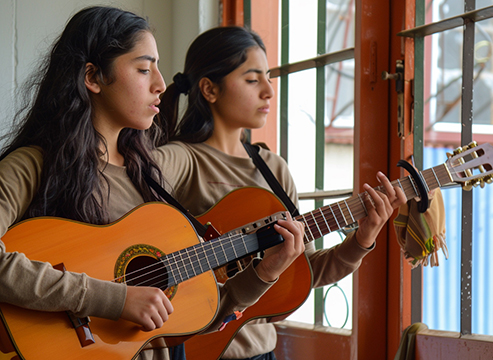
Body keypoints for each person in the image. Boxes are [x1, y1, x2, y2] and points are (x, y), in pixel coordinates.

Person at [0, 8, 305, 360]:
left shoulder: (147, 178)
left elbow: (189, 318)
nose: (160, 83)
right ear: (93, 77)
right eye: (144, 69)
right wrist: (113, 299)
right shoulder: (33, 165)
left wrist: (263, 273)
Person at [156, 26, 407, 360]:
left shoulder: (273, 169)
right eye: (251, 79)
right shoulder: (178, 159)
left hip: (263, 353)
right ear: (209, 89)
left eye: (269, 78)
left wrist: (361, 240)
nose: (268, 92)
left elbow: (304, 269)